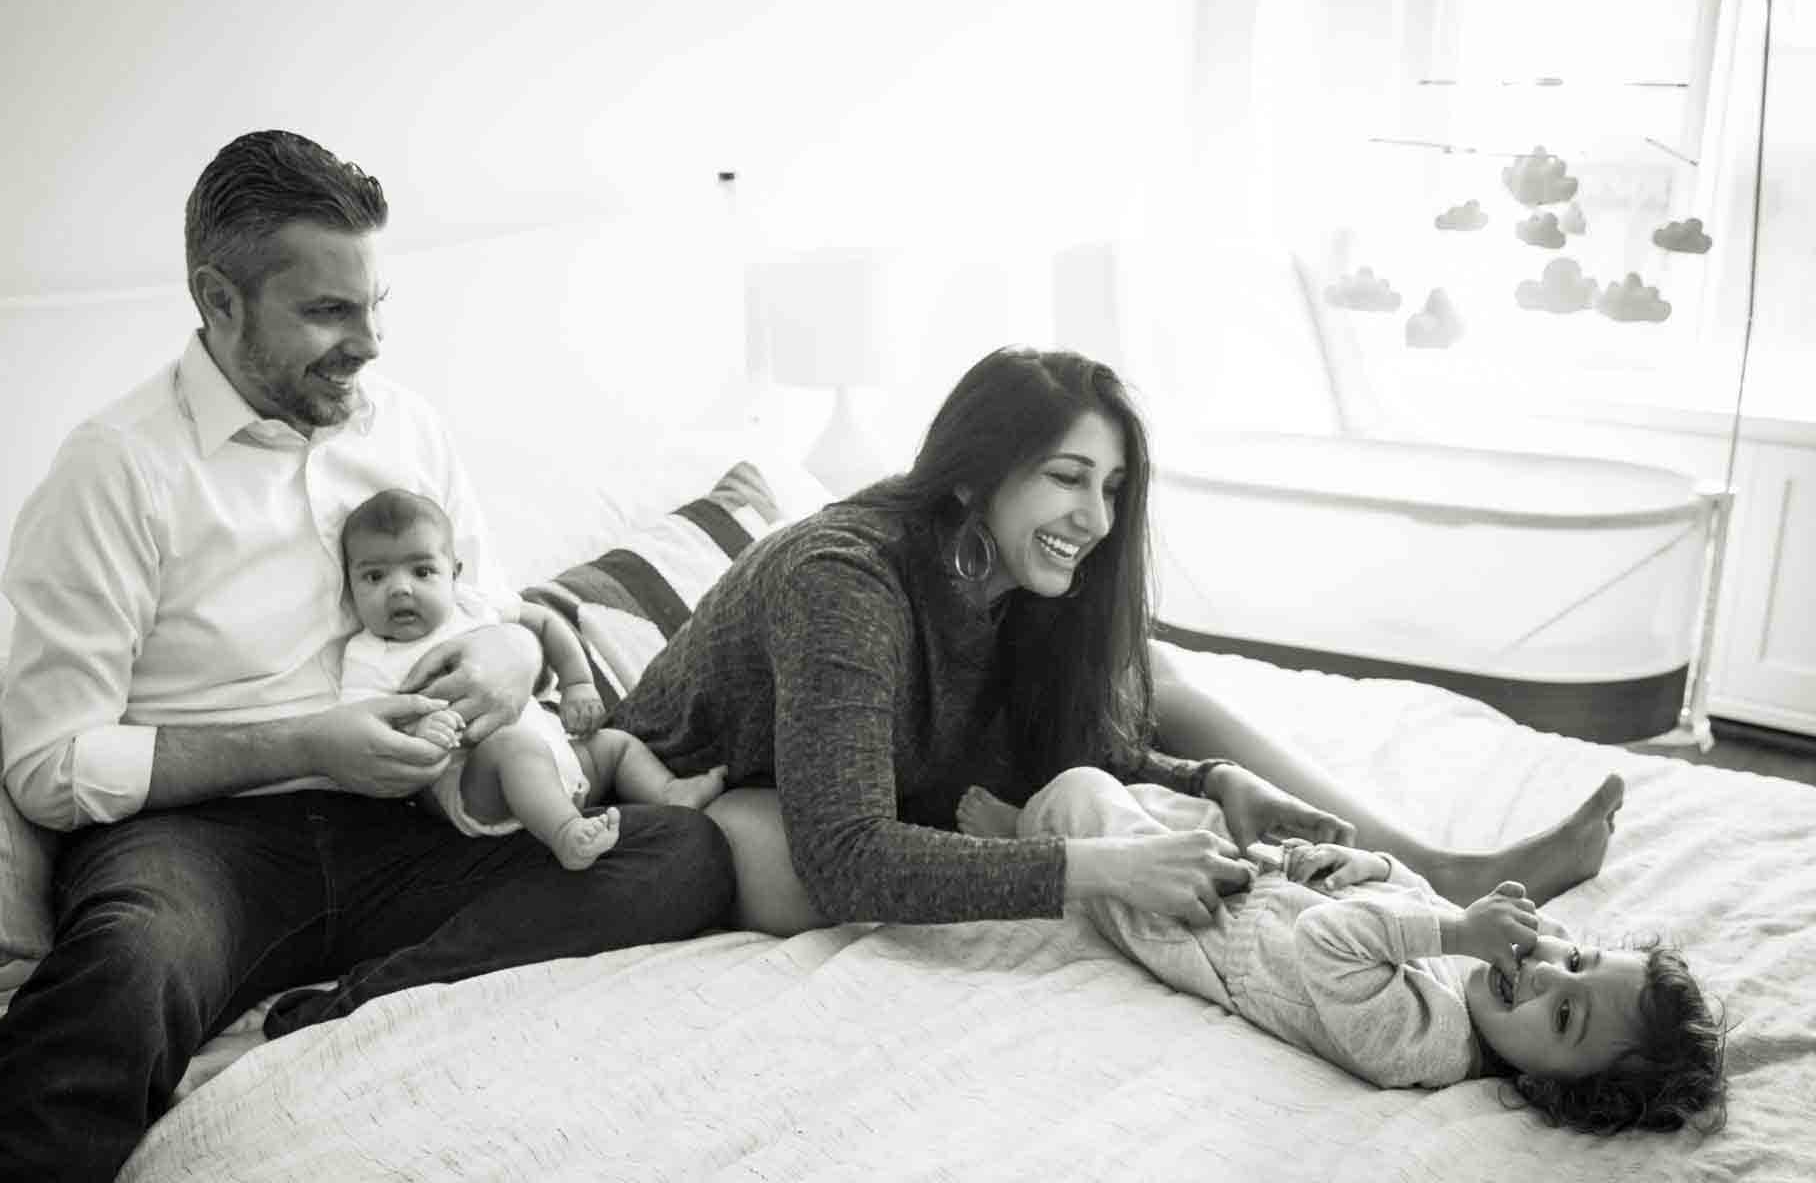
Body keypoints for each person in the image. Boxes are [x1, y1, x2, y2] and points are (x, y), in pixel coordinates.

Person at [0, 131, 735, 1183]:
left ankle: (370, 992)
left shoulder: (407, 427)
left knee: (677, 854)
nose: (366, 343)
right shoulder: (114, 473)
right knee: (124, 970)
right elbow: (52, 763)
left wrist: (506, 647)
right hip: (204, 839)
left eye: (375, 304)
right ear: (219, 301)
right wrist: (307, 743)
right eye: (327, 311)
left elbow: (487, 598)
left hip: (412, 824)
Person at [612, 345, 1626, 937]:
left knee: (1140, 675)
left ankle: (1419, 867)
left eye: (1109, 489)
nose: (1093, 520)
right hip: (688, 803)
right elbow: (847, 855)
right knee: (830, 872)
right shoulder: (844, 579)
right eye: (1065, 476)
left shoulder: (994, 570)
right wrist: (1094, 870)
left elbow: (989, 734)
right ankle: (1425, 879)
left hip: (838, 786)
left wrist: (1207, 776)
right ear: (974, 472)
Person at [959, 767, 1725, 1130]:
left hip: (1193, 926)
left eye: (1563, 1017)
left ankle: (1024, 836)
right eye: (1578, 961)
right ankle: (1056, 822)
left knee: (1084, 793)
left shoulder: (1429, 1044)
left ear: (1552, 1088)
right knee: (1170, 803)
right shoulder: (1484, 983)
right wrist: (1367, 870)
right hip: (1252, 882)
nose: (1545, 973)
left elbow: (1326, 943)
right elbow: (1415, 897)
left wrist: (1457, 930)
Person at [337, 487, 728, 868]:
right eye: (374, 577)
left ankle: (669, 791)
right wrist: (420, 732)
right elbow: (365, 736)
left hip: (564, 764)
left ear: (454, 574)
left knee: (614, 746)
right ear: (349, 589)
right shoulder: (368, 657)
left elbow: (543, 621)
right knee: (513, 747)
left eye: (422, 571)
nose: (400, 589)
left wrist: (578, 684)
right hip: (476, 787)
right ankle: (568, 833)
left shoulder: (474, 606)